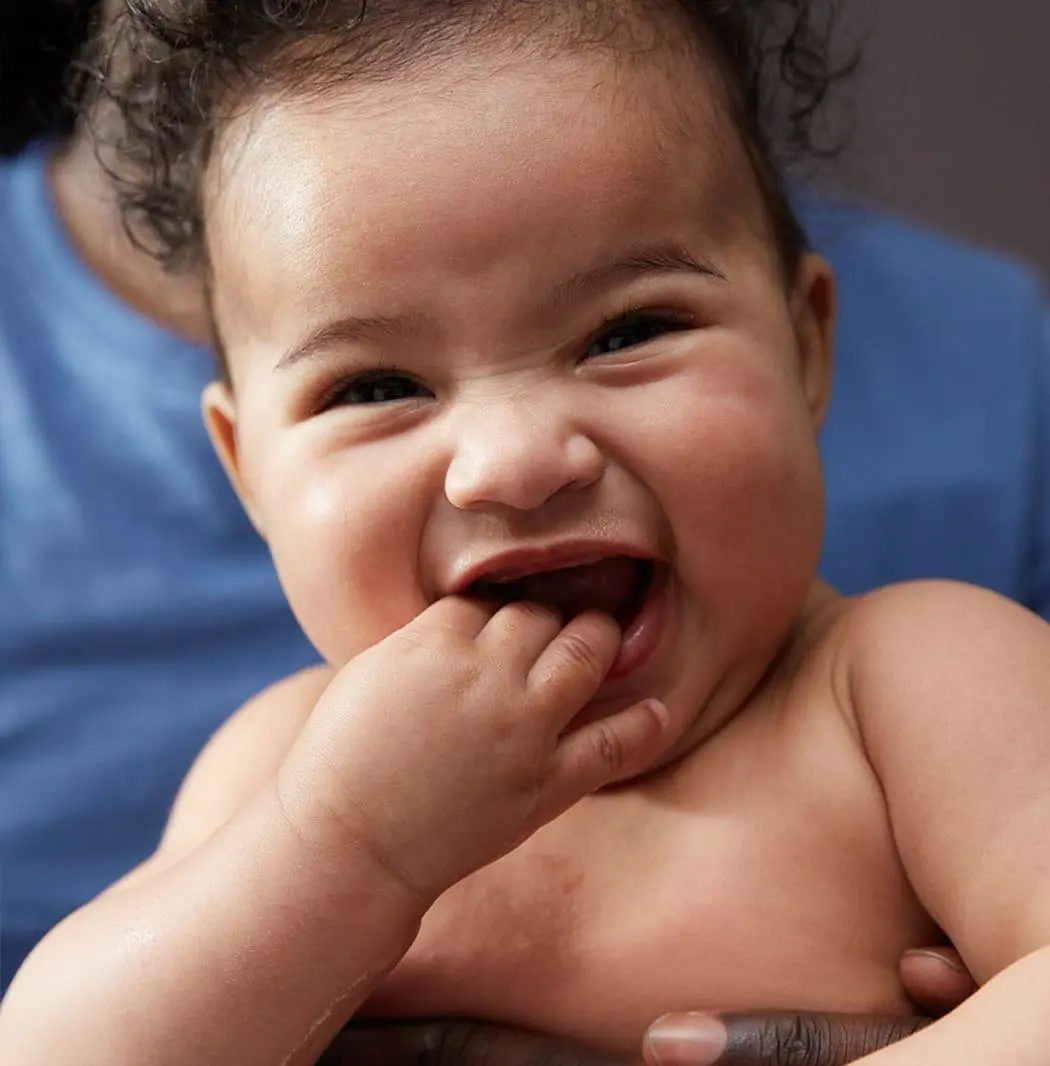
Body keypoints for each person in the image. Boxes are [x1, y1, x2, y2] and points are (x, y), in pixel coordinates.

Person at [2, 1, 1049, 1064]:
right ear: (250, 472)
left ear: (807, 346)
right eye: (377, 385)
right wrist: (341, 853)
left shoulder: (911, 695)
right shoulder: (288, 772)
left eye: (627, 331)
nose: (514, 457)